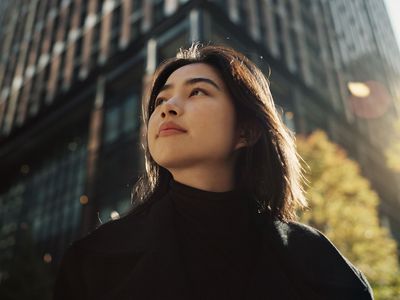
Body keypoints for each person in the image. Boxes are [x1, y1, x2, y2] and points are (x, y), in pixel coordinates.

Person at [53, 43, 374, 300]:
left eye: (197, 92)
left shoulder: (320, 265)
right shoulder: (93, 260)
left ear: (246, 131)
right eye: (161, 100)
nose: (167, 107)